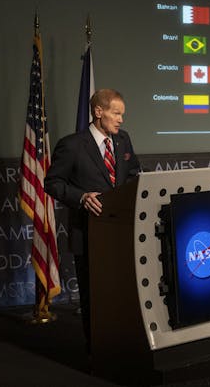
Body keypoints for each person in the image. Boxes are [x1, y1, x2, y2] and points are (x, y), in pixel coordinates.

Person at [44, 89, 140, 349]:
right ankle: (96, 351)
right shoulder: (72, 145)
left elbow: (133, 174)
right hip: (88, 234)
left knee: (121, 295)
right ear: (99, 112)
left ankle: (123, 346)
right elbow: (52, 183)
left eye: (122, 115)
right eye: (116, 113)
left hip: (121, 232)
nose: (121, 120)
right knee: (94, 298)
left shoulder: (123, 141)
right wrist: (82, 196)